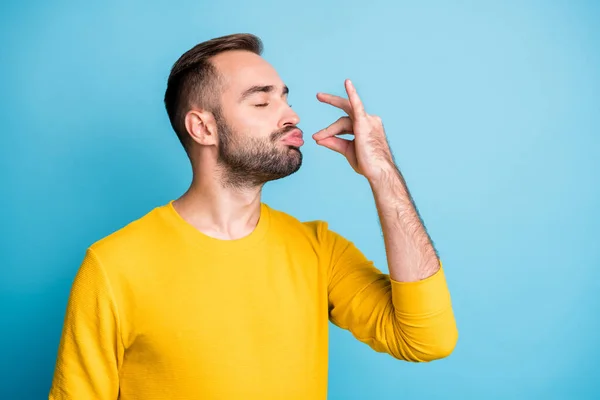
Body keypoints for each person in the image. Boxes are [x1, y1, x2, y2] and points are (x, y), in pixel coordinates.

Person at [48, 33, 458, 400]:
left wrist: (383, 172)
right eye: (262, 101)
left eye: (285, 98)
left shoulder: (317, 250)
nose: (291, 115)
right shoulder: (114, 267)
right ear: (202, 128)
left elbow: (426, 340)